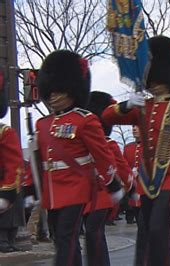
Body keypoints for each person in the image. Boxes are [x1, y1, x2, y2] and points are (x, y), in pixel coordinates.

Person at [102, 35, 170, 266]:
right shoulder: (142, 108)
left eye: (158, 77)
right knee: (148, 232)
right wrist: (126, 104)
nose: (154, 82)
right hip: (146, 181)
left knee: (158, 230)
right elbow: (106, 116)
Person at [36, 50, 124, 265]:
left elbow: (102, 155)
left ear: (72, 91)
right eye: (50, 93)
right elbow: (40, 161)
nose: (53, 97)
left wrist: (113, 185)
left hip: (77, 189)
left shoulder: (85, 120)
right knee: (62, 239)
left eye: (59, 92)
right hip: (53, 190)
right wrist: (31, 189)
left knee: (67, 236)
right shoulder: (43, 124)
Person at [83, 91, 134, 266]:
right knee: (93, 236)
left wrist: (131, 188)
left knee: (93, 232)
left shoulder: (109, 144)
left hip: (104, 193)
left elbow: (123, 168)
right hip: (84, 194)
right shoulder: (81, 143)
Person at [0, 89, 23, 253]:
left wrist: (7, 191)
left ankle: (6, 238)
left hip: (3, 183)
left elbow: (14, 164)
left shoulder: (4, 132)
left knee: (8, 217)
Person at [123, 125, 143, 224]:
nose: (134, 129)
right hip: (134, 189)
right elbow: (123, 166)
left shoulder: (151, 146)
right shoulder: (128, 148)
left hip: (147, 189)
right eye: (133, 127)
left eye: (137, 126)